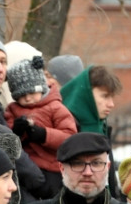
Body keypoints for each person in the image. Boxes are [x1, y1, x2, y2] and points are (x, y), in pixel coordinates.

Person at [5, 55, 78, 196]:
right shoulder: (12, 110)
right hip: (29, 169)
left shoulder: (55, 107)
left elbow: (70, 137)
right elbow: (7, 139)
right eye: (21, 95)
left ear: (42, 88)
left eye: (32, 92)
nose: (27, 98)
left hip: (55, 169)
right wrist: (16, 132)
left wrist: (44, 134)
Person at [60, 65, 122, 138]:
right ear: (87, 94)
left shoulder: (101, 126)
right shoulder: (64, 126)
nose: (111, 104)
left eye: (112, 97)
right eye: (105, 96)